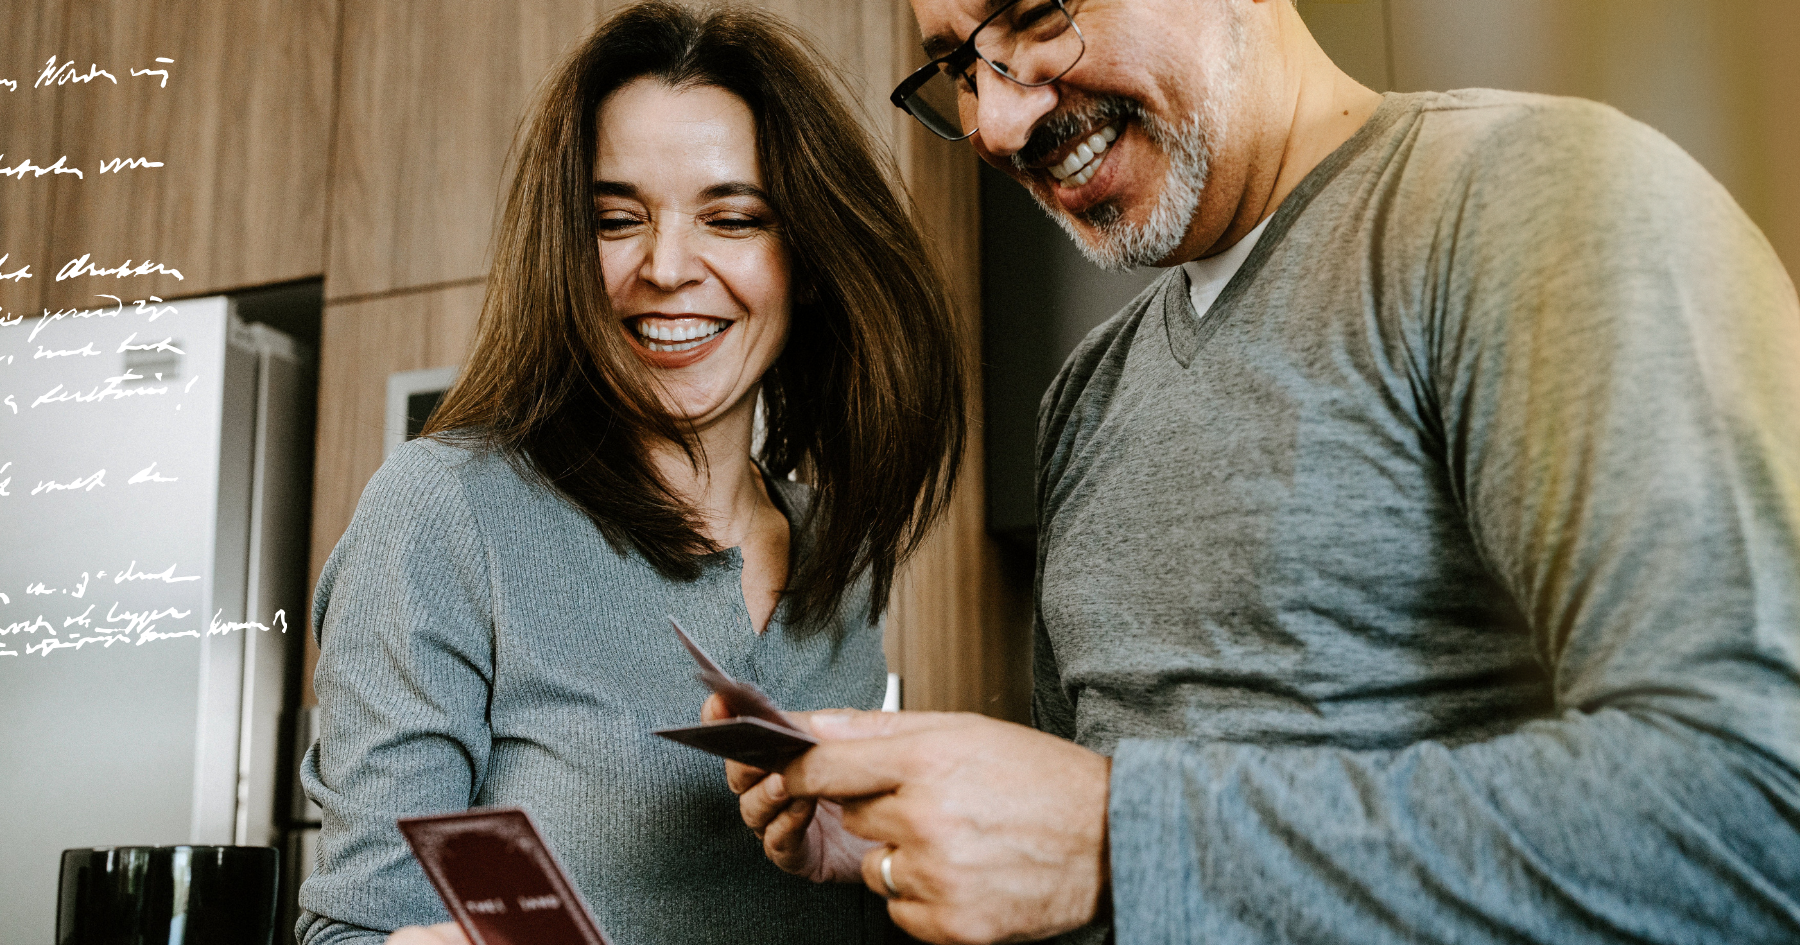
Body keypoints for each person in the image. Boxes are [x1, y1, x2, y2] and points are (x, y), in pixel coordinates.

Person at [727, 0, 1800, 942]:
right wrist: (912, 843)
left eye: (1037, 14)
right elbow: (1125, 894)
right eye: (961, 67)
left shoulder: (1537, 205)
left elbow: (1753, 817)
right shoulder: (1088, 397)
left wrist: (1115, 840)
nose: (998, 125)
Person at [296, 3, 965, 943]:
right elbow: (353, 931)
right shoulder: (445, 513)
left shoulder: (839, 557)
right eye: (617, 219)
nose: (667, 266)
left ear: (804, 257)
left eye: (732, 218)